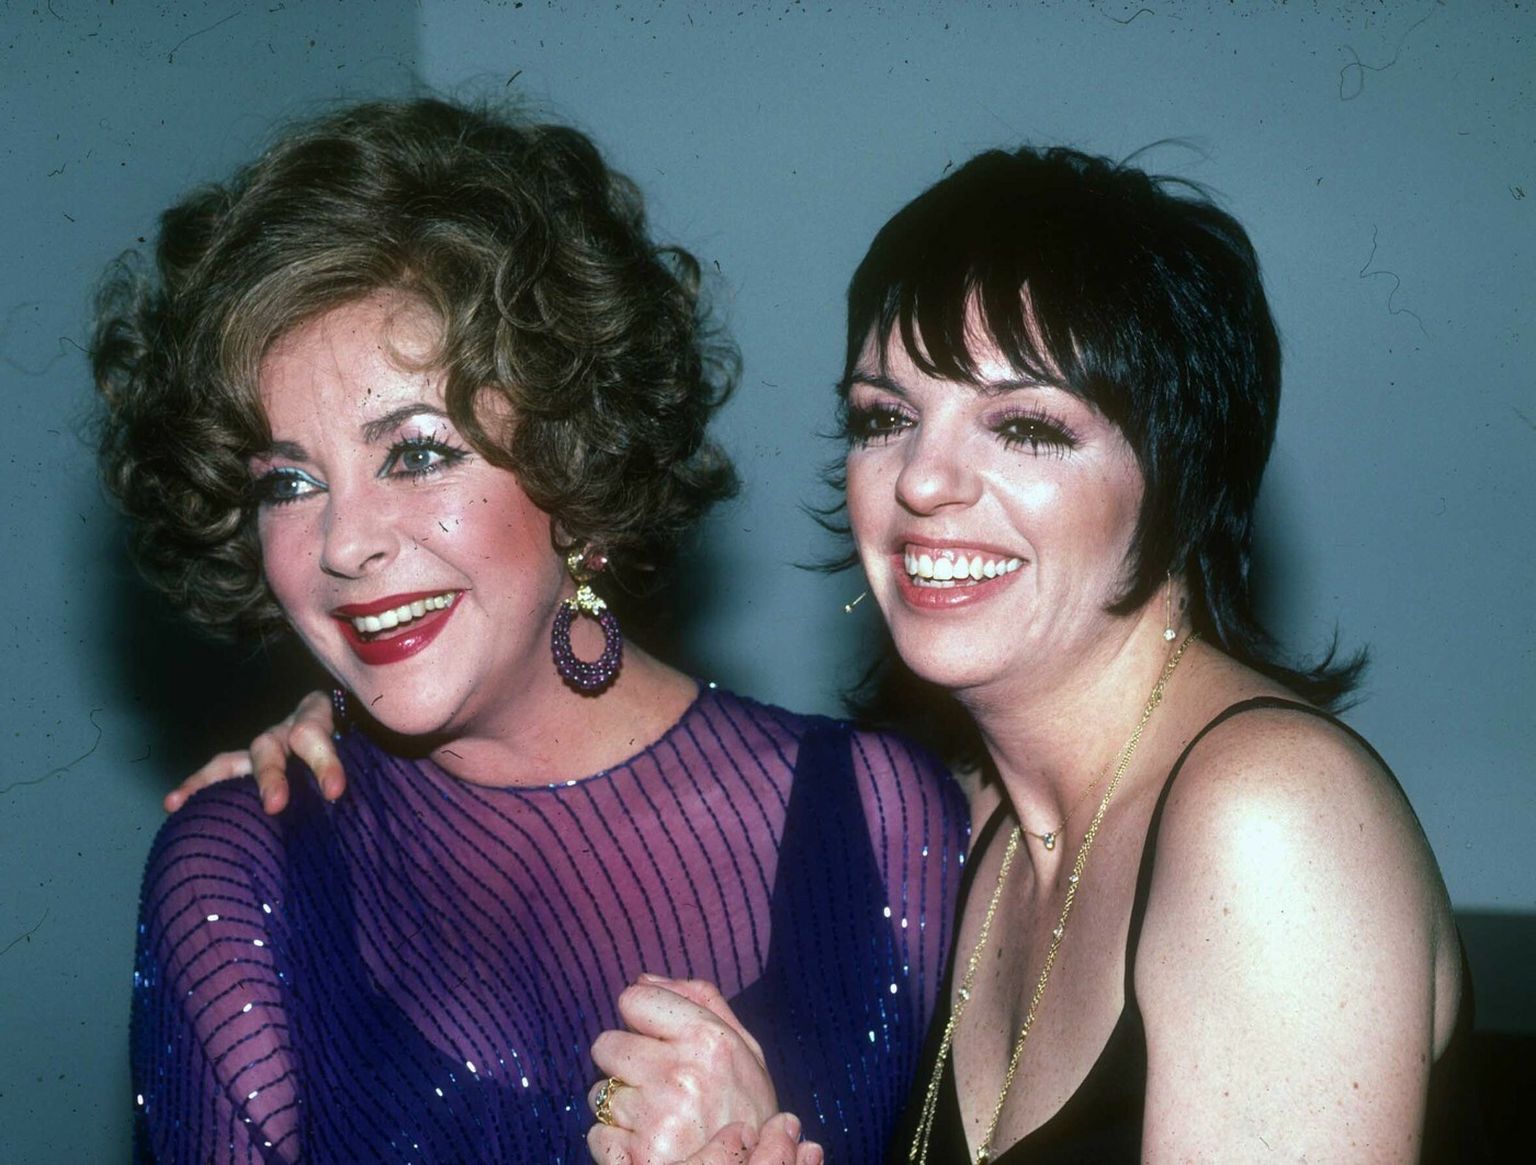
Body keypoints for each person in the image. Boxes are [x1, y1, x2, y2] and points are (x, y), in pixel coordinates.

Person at [173, 142, 1486, 1163]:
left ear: (1180, 474)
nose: (924, 482)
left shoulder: (1267, 820)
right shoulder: (966, 825)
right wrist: (361, 725)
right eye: (883, 418)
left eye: (1027, 427)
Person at [97, 97, 967, 1164]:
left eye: (417, 454)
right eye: (289, 481)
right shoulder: (240, 874)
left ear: (578, 462)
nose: (344, 543)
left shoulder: (881, 819)